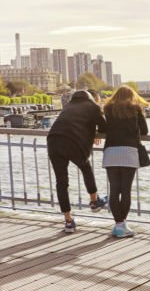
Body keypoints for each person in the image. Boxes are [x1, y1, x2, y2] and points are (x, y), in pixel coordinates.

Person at [46, 90, 108, 233]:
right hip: (72, 142)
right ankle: (94, 202)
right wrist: (94, 132)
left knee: (61, 182)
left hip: (53, 140)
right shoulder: (93, 107)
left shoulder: (68, 106)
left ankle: (68, 221)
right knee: (85, 168)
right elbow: (105, 127)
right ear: (92, 98)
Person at [101, 86, 149, 238]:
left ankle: (118, 225)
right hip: (129, 151)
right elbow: (145, 130)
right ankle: (122, 225)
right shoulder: (135, 108)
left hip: (111, 152)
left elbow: (104, 128)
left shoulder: (108, 108)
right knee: (126, 190)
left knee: (114, 190)